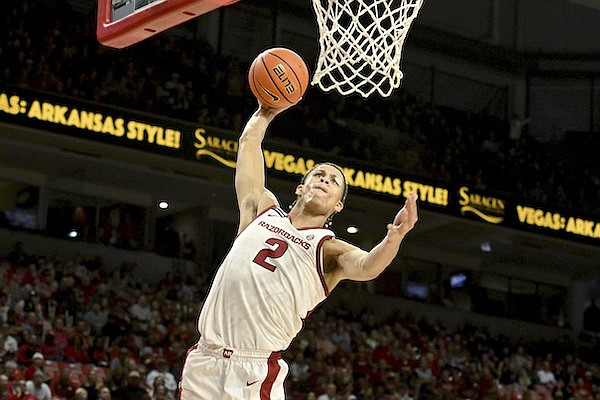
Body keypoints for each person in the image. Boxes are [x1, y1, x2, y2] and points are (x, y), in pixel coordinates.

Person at [179, 105, 419, 399]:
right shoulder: (261, 210)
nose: (325, 180)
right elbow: (248, 145)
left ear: (337, 206)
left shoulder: (329, 249)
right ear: (300, 187)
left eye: (334, 182)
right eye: (319, 175)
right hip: (204, 358)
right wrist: (264, 112)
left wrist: (394, 238)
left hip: (253, 372)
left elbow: (367, 267)